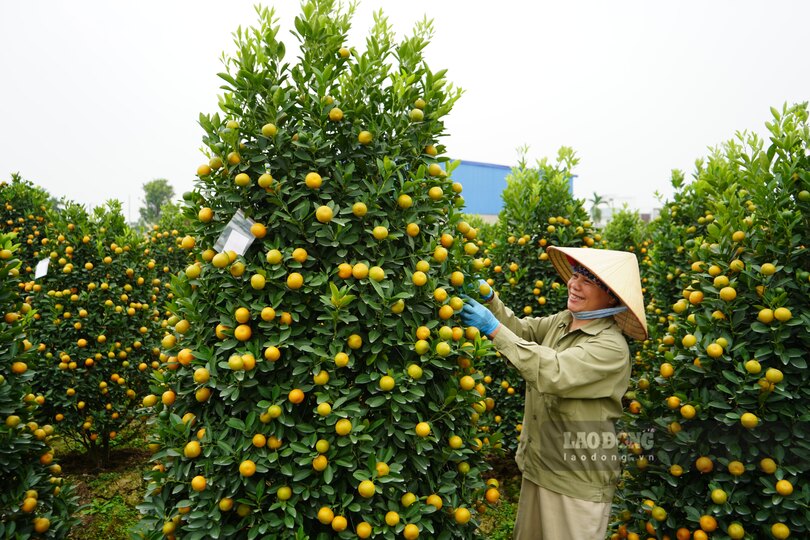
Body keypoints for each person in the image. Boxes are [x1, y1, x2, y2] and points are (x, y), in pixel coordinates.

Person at [460, 246, 648, 540]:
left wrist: (492, 328)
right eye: (575, 276)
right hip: (539, 466)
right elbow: (522, 331)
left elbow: (553, 371)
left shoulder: (610, 348)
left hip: (576, 480)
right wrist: (490, 299)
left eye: (588, 281)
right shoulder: (564, 320)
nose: (574, 285)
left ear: (611, 295)